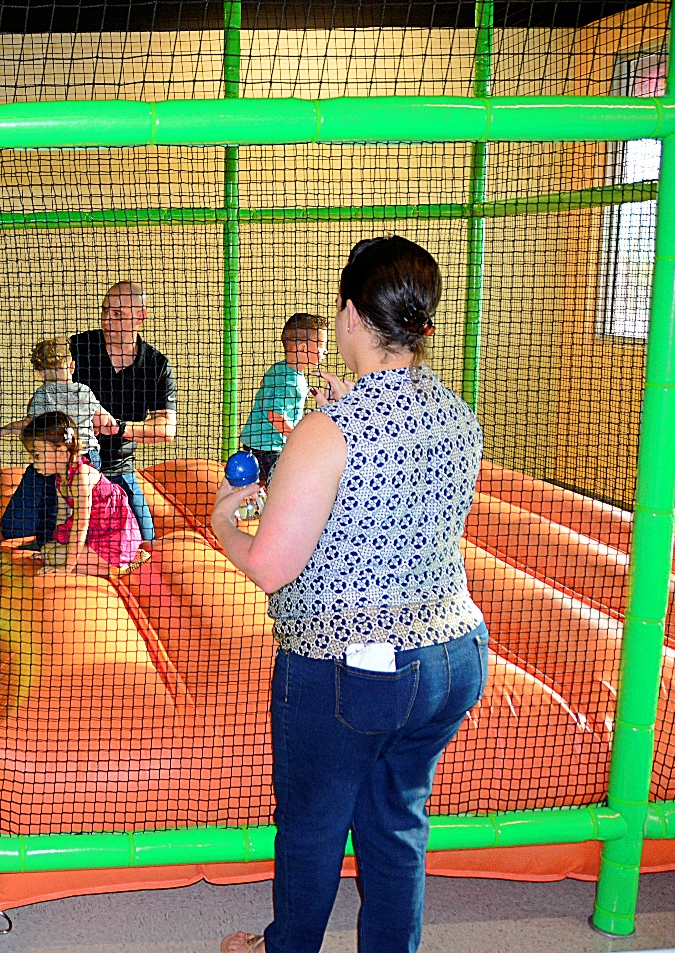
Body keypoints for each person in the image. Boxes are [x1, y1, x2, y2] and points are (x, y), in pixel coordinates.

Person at [211, 237, 488, 953]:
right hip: (454, 656)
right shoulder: (459, 414)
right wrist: (339, 417)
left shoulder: (326, 431)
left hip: (353, 671)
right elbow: (391, 503)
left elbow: (271, 566)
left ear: (347, 315)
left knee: (311, 823)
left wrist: (222, 521)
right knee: (395, 819)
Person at [71, 281, 177, 541]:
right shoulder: (78, 349)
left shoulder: (156, 365)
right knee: (19, 530)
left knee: (146, 540)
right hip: (72, 467)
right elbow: (52, 400)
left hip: (119, 469)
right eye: (105, 311)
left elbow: (167, 429)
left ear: (141, 317)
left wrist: (119, 427)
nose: (107, 321)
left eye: (117, 315)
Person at [1, 412, 142, 577]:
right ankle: (100, 564)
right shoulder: (61, 477)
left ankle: (119, 566)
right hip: (97, 533)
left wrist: (66, 567)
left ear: (60, 451)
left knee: (54, 556)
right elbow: (63, 515)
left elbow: (80, 525)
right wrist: (58, 544)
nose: (34, 461)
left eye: (37, 455)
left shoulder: (82, 476)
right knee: (48, 551)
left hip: (114, 539)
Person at [0, 337, 117, 469]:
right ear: (72, 366)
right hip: (88, 454)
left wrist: (6, 428)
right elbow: (103, 419)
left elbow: (30, 424)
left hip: (61, 457)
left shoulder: (43, 394)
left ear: (41, 373)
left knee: (60, 485)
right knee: (84, 486)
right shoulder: (84, 390)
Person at [239, 313, 328, 485]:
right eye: (322, 345)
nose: (325, 351)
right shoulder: (289, 379)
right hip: (267, 448)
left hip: (262, 445)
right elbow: (275, 415)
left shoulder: (281, 370)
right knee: (280, 486)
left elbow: (265, 386)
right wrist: (297, 439)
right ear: (302, 348)